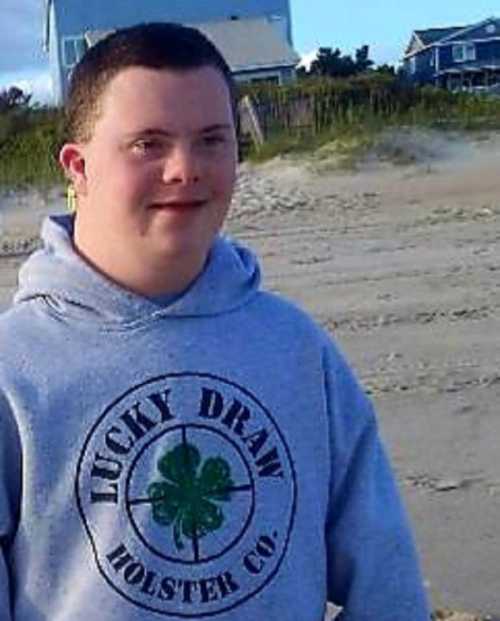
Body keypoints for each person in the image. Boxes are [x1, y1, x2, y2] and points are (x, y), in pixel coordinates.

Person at [0, 22, 430, 621]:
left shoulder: (298, 351)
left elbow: (386, 580)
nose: (185, 169)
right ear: (78, 167)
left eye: (211, 140)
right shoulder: (12, 367)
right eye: (148, 143)